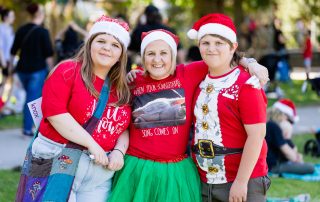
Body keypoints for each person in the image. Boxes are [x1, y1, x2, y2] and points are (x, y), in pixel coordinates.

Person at [110, 26, 268, 201]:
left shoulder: (188, 73)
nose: (157, 60)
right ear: (142, 57)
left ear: (173, 56)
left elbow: (223, 57)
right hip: (138, 168)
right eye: (150, 54)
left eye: (164, 53)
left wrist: (252, 63)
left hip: (176, 171)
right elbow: (121, 123)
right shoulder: (133, 82)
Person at [30, 15, 132, 201]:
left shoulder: (122, 87)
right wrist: (92, 144)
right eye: (101, 41)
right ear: (90, 44)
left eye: (115, 45)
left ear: (121, 56)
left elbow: (124, 126)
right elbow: (56, 115)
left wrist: (119, 151)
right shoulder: (68, 71)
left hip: (99, 174)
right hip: (59, 161)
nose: (107, 48)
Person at [188, 13, 270, 202]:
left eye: (219, 43)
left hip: (242, 179)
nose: (211, 49)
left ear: (233, 47)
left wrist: (241, 182)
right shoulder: (198, 76)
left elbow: (256, 136)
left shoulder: (247, 83)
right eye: (205, 43)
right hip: (204, 179)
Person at [10, 3, 54, 136]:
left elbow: (13, 51)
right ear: (40, 14)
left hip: (22, 71)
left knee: (30, 98)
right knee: (32, 100)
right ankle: (27, 129)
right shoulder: (43, 32)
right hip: (37, 71)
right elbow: (49, 55)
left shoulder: (21, 29)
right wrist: (52, 72)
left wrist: (11, 68)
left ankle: (29, 127)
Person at [266, 99, 314, 175]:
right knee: (310, 167)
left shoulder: (268, 124)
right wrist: (288, 138)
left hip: (268, 165)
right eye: (290, 122)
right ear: (284, 116)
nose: (291, 125)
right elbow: (291, 156)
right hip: (272, 167)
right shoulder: (274, 127)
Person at [0, 6, 15, 76]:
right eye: (12, 16)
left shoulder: (10, 28)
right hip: (3, 60)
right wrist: (3, 62)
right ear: (5, 17)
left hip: (8, 60)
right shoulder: (1, 28)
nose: (14, 18)